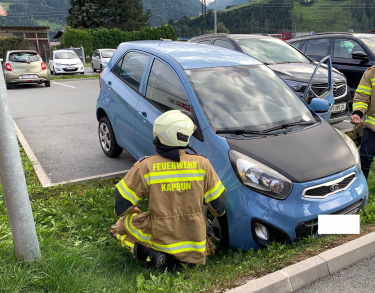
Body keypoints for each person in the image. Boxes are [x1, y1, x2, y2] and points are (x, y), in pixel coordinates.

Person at [110, 110, 227, 270]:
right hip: (195, 244)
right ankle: (186, 260)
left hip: (161, 238)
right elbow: (219, 208)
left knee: (118, 227)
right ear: (183, 136)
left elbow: (120, 205)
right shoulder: (202, 165)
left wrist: (132, 209)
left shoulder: (146, 166)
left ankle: (151, 254)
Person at [350, 65, 375, 179]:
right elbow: (362, 97)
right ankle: (362, 186)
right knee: (364, 158)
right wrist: (358, 113)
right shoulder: (371, 73)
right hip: (372, 126)